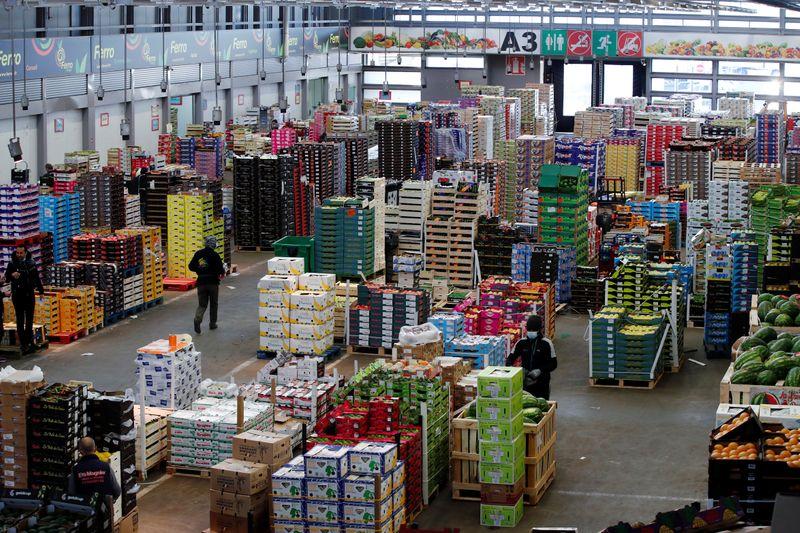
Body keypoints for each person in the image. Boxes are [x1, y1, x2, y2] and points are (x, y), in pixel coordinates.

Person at [68, 437, 121, 532]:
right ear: (95, 449)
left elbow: (71, 493)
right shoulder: (106, 467)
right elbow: (117, 490)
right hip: (104, 513)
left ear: (80, 452)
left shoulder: (75, 470)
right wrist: (110, 501)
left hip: (84, 515)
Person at [505, 315, 557, 400]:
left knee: (541, 406)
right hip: (525, 383)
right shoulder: (521, 343)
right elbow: (510, 359)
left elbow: (553, 363)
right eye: (529, 329)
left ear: (540, 329)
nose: (531, 331)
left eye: (534, 330)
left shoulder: (547, 343)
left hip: (542, 383)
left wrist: (540, 370)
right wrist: (516, 371)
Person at [5, 247, 43, 353]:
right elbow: (6, 278)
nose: (19, 255)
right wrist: (12, 275)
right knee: (20, 319)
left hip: (29, 294)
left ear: (25, 252)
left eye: (21, 253)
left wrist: (41, 291)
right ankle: (23, 344)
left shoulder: (31, 263)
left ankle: (30, 342)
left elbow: (36, 277)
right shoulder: (12, 264)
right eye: (17, 253)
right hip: (18, 295)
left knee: (30, 319)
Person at [188, 235, 225, 334]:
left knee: (202, 304)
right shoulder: (215, 255)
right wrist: (220, 272)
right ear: (213, 244)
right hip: (213, 283)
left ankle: (197, 320)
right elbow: (221, 270)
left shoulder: (198, 253)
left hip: (201, 283)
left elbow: (191, 266)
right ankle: (212, 324)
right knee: (214, 304)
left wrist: (200, 269)